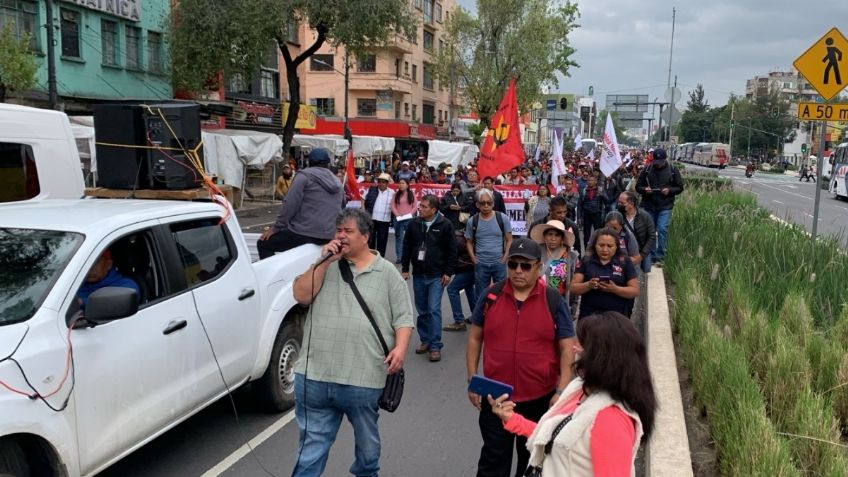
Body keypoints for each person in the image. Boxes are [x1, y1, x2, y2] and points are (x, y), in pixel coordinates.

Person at [290, 208, 413, 477]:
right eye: (338, 231)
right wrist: (323, 262)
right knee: (310, 451)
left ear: (366, 236)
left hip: (364, 379)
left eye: (349, 231)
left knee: (368, 452)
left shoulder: (387, 273)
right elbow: (301, 296)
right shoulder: (325, 266)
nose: (342, 236)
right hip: (315, 377)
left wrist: (401, 348)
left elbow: (404, 318)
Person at [488, 311, 657, 477]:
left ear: (603, 357)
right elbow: (554, 435)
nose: (575, 348)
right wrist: (511, 418)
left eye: (583, 344)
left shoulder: (610, 420)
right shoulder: (581, 390)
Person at [466, 238, 576, 477]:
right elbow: (475, 338)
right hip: (496, 398)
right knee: (493, 461)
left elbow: (568, 348)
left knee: (532, 462)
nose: (518, 271)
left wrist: (561, 392)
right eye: (513, 264)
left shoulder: (553, 300)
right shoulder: (490, 296)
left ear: (538, 267)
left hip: (540, 399)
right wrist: (472, 380)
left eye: (525, 266)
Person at [258, 148, 344, 259]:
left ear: (309, 162)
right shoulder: (337, 181)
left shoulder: (304, 176)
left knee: (263, 244)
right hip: (329, 235)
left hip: (304, 233)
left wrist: (276, 228)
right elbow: (342, 206)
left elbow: (289, 205)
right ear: (328, 164)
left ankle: (272, 276)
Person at [401, 195, 456, 362]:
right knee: (422, 310)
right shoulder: (414, 224)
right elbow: (407, 246)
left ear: (433, 209)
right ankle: (425, 340)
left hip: (437, 275)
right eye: (420, 206)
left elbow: (452, 250)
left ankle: (435, 345)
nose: (421, 209)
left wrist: (448, 272)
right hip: (419, 274)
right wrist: (405, 268)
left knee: (433, 309)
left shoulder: (445, 225)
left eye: (424, 207)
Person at [571, 227, 639, 318]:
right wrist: (588, 285)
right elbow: (573, 287)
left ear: (616, 246)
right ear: (595, 245)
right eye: (601, 245)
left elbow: (635, 291)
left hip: (617, 318)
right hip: (589, 317)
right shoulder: (586, 260)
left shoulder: (624, 261)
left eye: (610, 246)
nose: (605, 250)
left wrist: (615, 289)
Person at [635, 148, 684, 265]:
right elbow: (638, 186)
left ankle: (661, 255)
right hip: (649, 205)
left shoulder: (673, 170)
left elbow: (680, 187)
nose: (657, 165)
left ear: (665, 159)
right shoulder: (647, 169)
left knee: (662, 229)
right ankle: (650, 254)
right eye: (656, 162)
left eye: (660, 162)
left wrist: (670, 190)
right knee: (650, 231)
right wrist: (644, 189)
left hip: (665, 205)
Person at [466, 189, 512, 305]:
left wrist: (504, 258)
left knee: (502, 295)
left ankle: (501, 319)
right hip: (481, 264)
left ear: (493, 203)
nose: (486, 206)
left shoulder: (502, 218)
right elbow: (469, 242)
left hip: (499, 263)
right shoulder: (472, 221)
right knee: (481, 297)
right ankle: (482, 320)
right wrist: (474, 259)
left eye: (489, 202)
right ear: (477, 205)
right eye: (482, 203)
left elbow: (509, 239)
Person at [530, 220, 578, 302]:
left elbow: (572, 283)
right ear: (544, 236)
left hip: (560, 300)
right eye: (550, 234)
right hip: (537, 298)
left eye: (557, 235)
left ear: (562, 238)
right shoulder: (536, 252)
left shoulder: (570, 255)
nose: (553, 239)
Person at [444, 230, 476, 332]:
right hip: (471, 267)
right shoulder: (458, 235)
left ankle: (459, 321)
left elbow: (453, 256)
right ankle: (476, 316)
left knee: (452, 289)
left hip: (468, 268)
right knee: (468, 287)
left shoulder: (455, 238)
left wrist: (447, 272)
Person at [617, 191, 656, 273]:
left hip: (641, 249)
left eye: (622, 203)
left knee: (646, 268)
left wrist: (641, 256)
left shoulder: (645, 216)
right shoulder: (617, 216)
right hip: (624, 250)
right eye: (618, 202)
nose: (619, 204)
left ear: (631, 203)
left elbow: (652, 236)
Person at [363, 173, 394, 257]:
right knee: (371, 240)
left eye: (384, 182)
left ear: (387, 183)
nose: (381, 184)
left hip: (384, 220)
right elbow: (364, 199)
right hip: (372, 218)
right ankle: (370, 257)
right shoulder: (372, 189)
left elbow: (394, 204)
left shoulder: (392, 192)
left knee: (382, 240)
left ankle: (381, 258)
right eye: (380, 181)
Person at [390, 178, 417, 264]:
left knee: (410, 239)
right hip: (398, 219)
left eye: (403, 183)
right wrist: (397, 214)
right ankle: (399, 257)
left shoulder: (411, 194)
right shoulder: (396, 194)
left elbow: (415, 206)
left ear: (407, 185)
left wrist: (409, 214)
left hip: (409, 219)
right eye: (400, 183)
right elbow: (392, 206)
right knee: (399, 238)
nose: (401, 185)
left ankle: (409, 256)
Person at [578, 176, 606, 248]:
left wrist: (602, 195)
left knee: (598, 234)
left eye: (592, 180)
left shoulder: (600, 190)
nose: (590, 182)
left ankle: (598, 248)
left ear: (595, 181)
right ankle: (586, 249)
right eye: (589, 180)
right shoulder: (583, 191)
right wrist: (579, 217)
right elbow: (579, 205)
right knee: (586, 235)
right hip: (586, 215)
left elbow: (607, 202)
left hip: (597, 215)